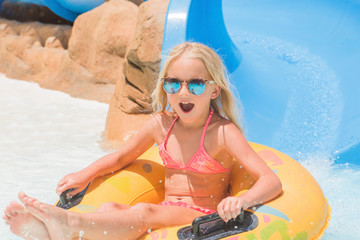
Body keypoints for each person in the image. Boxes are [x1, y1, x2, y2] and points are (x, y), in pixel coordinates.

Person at [3, 42, 282, 240]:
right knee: (110, 208)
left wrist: (242, 200)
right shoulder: (161, 124)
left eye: (195, 84)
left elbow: (271, 181)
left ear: (213, 90)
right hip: (165, 210)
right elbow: (121, 158)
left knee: (143, 211)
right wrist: (84, 173)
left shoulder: (222, 133)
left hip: (201, 216)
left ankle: (70, 223)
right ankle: (51, 233)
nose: (183, 92)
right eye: (174, 83)